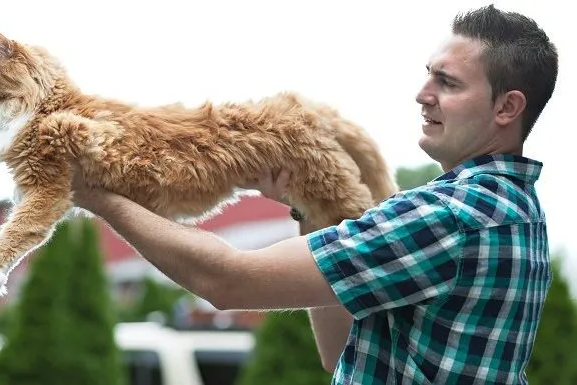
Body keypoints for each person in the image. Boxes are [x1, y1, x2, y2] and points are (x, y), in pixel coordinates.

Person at [71, 4, 558, 384]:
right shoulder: (514, 207)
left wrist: (95, 194)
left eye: (447, 82)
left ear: (507, 107)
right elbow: (337, 352)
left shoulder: (449, 217)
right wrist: (307, 208)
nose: (422, 92)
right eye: (428, 72)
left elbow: (225, 282)